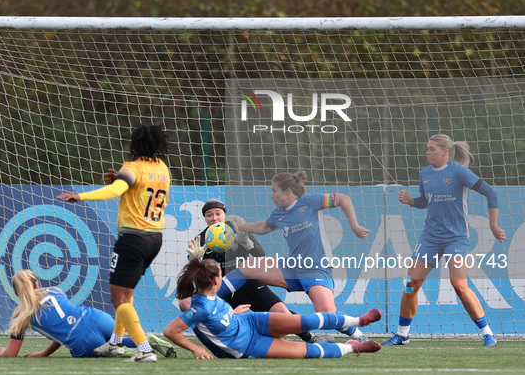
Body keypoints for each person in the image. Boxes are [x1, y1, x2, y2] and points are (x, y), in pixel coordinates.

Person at [57, 124, 171, 362]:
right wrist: (121, 181)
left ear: (135, 145)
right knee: (126, 296)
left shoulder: (133, 167)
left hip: (133, 240)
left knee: (118, 299)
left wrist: (80, 196)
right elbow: (137, 189)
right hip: (155, 239)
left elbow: (115, 190)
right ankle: (116, 343)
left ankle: (145, 350)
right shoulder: (162, 168)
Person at [217, 171, 372, 341]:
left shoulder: (310, 202)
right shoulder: (278, 213)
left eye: (274, 190)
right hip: (292, 267)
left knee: (327, 315)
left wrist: (355, 225)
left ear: (287, 191)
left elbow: (343, 198)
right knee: (246, 268)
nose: (271, 196)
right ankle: (209, 299)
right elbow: (263, 227)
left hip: (316, 269)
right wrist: (244, 226)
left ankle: (358, 335)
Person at [382, 134, 506, 347]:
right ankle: (402, 335)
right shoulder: (425, 173)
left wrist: (493, 225)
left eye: (432, 149)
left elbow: (491, 193)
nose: (427, 153)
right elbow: (425, 201)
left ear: (445, 152)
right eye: (427, 149)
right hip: (429, 238)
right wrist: (411, 201)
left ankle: (488, 333)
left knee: (459, 285)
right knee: (411, 285)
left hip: (455, 238)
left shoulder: (458, 172)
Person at [180, 198, 333, 344]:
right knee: (192, 307)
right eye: (209, 215)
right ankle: (208, 340)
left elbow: (261, 256)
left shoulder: (238, 231)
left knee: (282, 313)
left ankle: (311, 338)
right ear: (205, 218)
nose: (214, 218)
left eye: (218, 213)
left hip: (250, 286)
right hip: (220, 290)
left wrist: (247, 244)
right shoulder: (200, 240)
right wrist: (195, 260)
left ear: (224, 214)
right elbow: (196, 275)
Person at [164, 258, 382, 359]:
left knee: (306, 321)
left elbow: (215, 320)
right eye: (222, 274)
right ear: (215, 280)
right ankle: (353, 347)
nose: (225, 277)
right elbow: (170, 331)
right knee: (309, 352)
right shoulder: (198, 307)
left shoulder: (213, 298)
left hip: (249, 321)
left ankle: (357, 321)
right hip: (248, 346)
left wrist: (233, 313)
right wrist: (195, 349)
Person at [0, 269, 175, 358]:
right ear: (37, 284)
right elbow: (62, 321)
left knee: (114, 352)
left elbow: (11, 354)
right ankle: (147, 340)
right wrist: (44, 353)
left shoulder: (21, 316)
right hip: (96, 317)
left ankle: (135, 351)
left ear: (16, 293)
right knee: (116, 340)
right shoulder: (55, 291)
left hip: (82, 340)